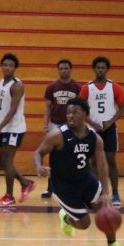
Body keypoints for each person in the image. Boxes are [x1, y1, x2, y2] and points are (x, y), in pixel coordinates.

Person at [33, 97, 124, 246]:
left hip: (85, 180)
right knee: (84, 224)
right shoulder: (57, 135)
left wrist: (106, 192)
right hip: (64, 186)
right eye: (68, 112)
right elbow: (38, 152)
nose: (70, 115)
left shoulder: (95, 138)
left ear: (85, 114)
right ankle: (66, 218)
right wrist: (38, 166)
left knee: (105, 208)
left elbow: (102, 166)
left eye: (75, 112)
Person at [0, 52, 35, 209]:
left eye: (10, 65)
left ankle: (9, 197)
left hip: (15, 129)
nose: (7, 68)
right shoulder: (1, 83)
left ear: (15, 68)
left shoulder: (17, 85)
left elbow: (12, 110)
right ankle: (25, 182)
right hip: (4, 128)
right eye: (5, 65)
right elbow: (0, 108)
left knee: (7, 160)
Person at [78, 56, 124, 207]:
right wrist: (93, 123)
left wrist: (110, 122)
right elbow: (80, 110)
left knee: (111, 160)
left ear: (107, 69)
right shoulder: (87, 88)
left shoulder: (114, 87)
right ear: (94, 69)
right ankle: (96, 193)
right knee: (93, 162)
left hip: (109, 129)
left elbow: (123, 108)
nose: (100, 70)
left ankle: (115, 193)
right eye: (98, 67)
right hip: (92, 130)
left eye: (103, 68)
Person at [40, 59, 82, 199]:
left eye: (66, 68)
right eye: (61, 68)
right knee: (54, 157)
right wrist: (45, 124)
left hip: (71, 126)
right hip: (55, 124)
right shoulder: (52, 87)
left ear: (71, 70)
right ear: (58, 70)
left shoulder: (77, 87)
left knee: (71, 156)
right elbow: (48, 106)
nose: (64, 70)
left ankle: (72, 186)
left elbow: (81, 108)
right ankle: (50, 188)